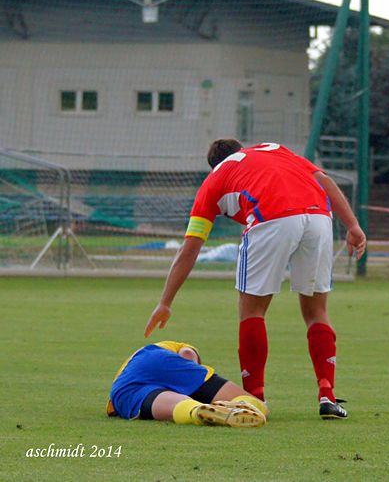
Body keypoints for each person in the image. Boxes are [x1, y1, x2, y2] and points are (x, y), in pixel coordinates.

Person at [144, 140, 367, 420]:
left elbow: (190, 248)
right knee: (316, 311)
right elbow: (324, 180)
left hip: (270, 218)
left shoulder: (216, 178)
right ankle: (327, 396)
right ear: (242, 148)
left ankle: (255, 399)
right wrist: (353, 226)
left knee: (252, 311)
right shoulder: (275, 149)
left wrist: (165, 301)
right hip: (319, 218)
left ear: (214, 164)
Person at [107, 340, 267, 427]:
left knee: (180, 405)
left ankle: (196, 411)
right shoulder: (176, 348)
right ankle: (248, 406)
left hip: (123, 392)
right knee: (252, 402)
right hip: (154, 359)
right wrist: (192, 370)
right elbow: (187, 353)